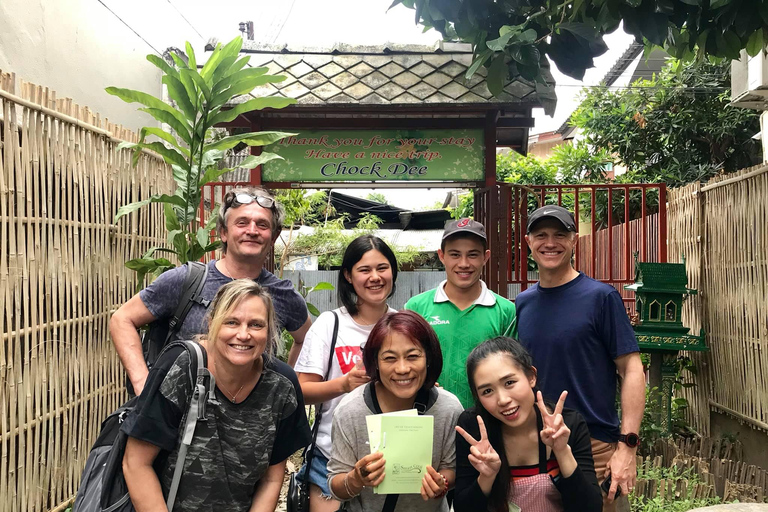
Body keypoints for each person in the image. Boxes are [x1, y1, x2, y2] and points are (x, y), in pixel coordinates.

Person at [121, 279, 312, 511]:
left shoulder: (281, 386)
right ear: (212, 324)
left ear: (269, 331)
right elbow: (136, 463)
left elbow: (272, 478)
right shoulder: (182, 368)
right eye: (231, 322)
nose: (243, 334)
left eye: (256, 325)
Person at [110, 186, 311, 396]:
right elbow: (121, 319)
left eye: (262, 225)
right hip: (178, 418)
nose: (252, 230)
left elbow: (306, 338)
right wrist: (144, 385)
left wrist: (287, 387)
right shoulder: (186, 280)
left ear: (274, 236)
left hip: (251, 422)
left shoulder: (283, 295)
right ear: (224, 232)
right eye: (242, 223)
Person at [514, 205, 645, 512]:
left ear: (574, 240)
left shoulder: (600, 297)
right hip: (538, 448)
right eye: (541, 235)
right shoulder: (523, 304)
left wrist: (627, 448)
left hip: (595, 448)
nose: (550, 243)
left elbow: (632, 369)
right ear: (528, 242)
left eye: (560, 234)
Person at [294, 235, 399, 512]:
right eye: (364, 270)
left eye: (382, 268)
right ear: (348, 276)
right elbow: (300, 391)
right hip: (331, 458)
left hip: (391, 460)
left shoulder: (402, 325)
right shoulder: (331, 324)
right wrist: (344, 384)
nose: (375, 277)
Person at [326, 311, 464, 512]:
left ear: (428, 357)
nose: (402, 369)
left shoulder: (448, 408)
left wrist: (441, 483)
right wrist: (356, 479)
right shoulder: (350, 411)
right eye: (390, 358)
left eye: (413, 356)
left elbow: (452, 469)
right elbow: (335, 486)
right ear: (375, 362)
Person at [454, 337, 602, 512]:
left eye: (509, 383)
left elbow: (591, 508)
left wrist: (562, 451)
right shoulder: (474, 429)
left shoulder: (568, 425)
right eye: (487, 391)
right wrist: (487, 477)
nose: (503, 400)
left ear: (531, 376)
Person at [405, 218, 516, 407]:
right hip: (429, 415)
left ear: (486, 257)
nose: (464, 264)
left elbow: (512, 370)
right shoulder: (416, 308)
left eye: (473, 255)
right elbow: (405, 361)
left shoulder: (505, 311)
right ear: (442, 255)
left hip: (487, 419)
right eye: (455, 255)